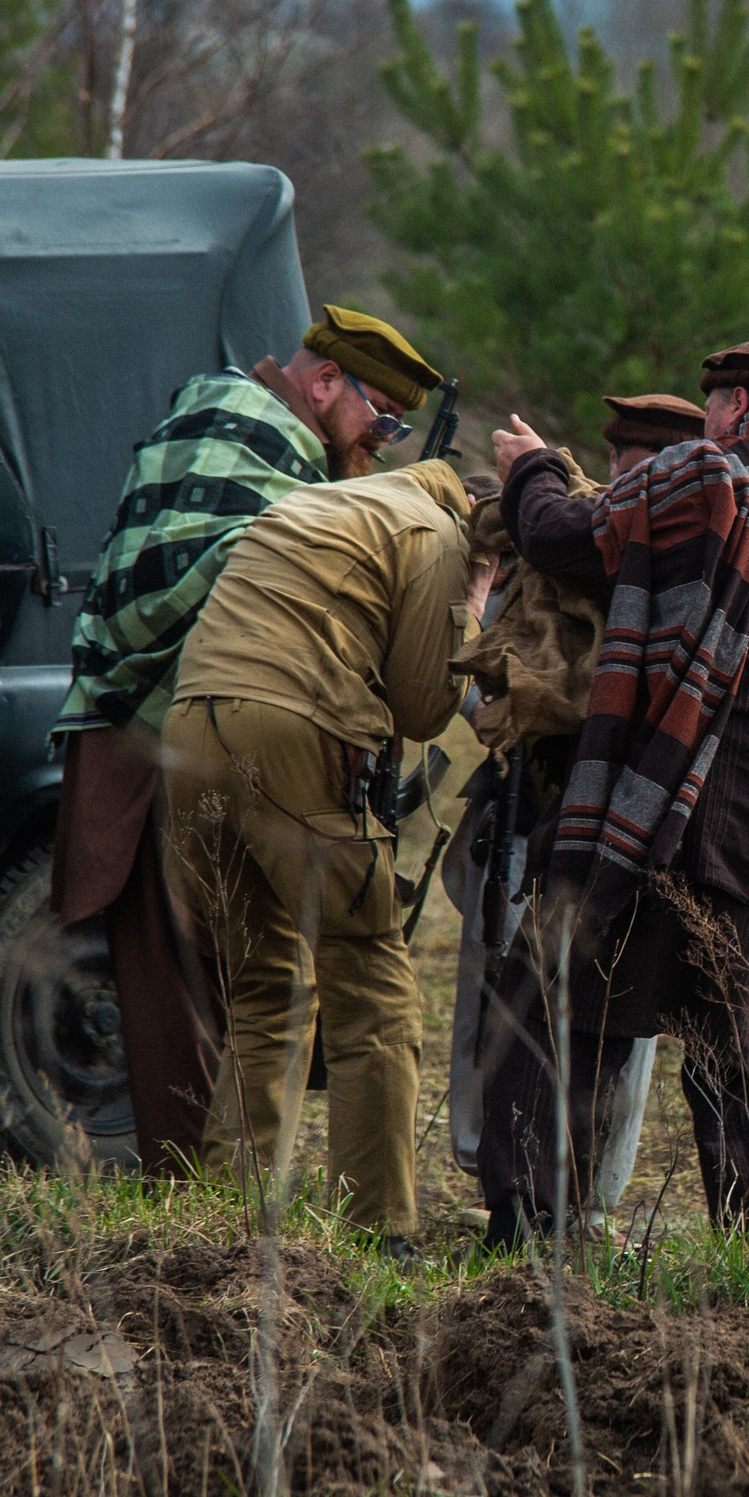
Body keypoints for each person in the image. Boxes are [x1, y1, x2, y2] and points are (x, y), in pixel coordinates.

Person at [481, 342, 749, 1243]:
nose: (704, 426)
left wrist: (533, 468)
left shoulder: (710, 481)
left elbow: (560, 536)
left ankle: (531, 1239)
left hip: (658, 820)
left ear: (737, 406)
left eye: (711, 409)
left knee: (555, 1013)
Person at [50, 306, 440, 1176]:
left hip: (194, 734)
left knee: (243, 980)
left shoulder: (269, 443)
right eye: (379, 417)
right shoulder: (237, 427)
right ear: (324, 382)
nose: (383, 441)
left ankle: (219, 1200)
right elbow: (196, 577)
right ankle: (197, 1202)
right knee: (184, 988)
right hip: (152, 740)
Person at [161, 459, 503, 1257]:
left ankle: (228, 1219)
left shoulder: (332, 500)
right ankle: (379, 1229)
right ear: (481, 516)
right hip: (290, 733)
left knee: (265, 983)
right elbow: (424, 703)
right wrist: (475, 596)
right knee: (373, 986)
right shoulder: (439, 533)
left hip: (188, 732)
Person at [439, 393, 702, 1184]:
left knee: (608, 1017)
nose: (630, 481)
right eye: (624, 466)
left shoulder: (647, 547)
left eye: (643, 467)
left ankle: (573, 1193)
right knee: (504, 994)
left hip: (607, 827)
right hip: (535, 815)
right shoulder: (575, 534)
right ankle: (509, 1176)